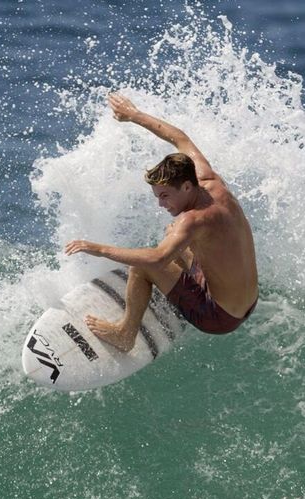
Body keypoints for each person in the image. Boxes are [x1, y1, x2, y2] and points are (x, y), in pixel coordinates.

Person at [64, 93, 259, 352]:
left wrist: (96, 248)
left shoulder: (193, 220)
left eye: (165, 196)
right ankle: (177, 289)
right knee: (171, 232)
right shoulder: (210, 181)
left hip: (219, 318)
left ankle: (125, 334)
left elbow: (157, 259)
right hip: (248, 302)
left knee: (143, 265)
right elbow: (180, 138)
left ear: (187, 185)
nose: (161, 204)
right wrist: (134, 115)